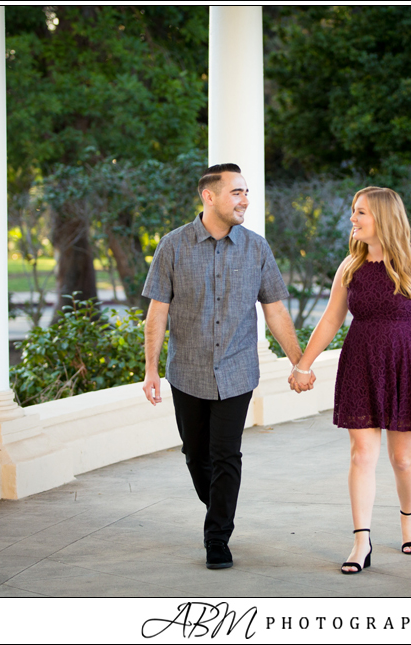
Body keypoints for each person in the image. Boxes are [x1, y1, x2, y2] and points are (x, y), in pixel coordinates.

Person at [142, 163, 311, 570]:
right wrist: (150, 369)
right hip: (187, 372)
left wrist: (300, 362)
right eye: (237, 192)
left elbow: (274, 311)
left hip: (237, 371)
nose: (245, 200)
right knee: (195, 454)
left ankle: (217, 537)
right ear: (209, 196)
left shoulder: (257, 248)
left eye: (246, 192)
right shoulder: (173, 246)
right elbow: (157, 313)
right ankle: (219, 504)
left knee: (226, 455)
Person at [289, 186, 411, 574]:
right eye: (354, 210)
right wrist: (303, 365)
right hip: (361, 362)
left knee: (402, 458)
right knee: (361, 455)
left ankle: (408, 515)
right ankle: (361, 541)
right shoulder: (351, 264)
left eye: (360, 212)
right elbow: (331, 319)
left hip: (408, 362)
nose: (353, 218)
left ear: (383, 216)